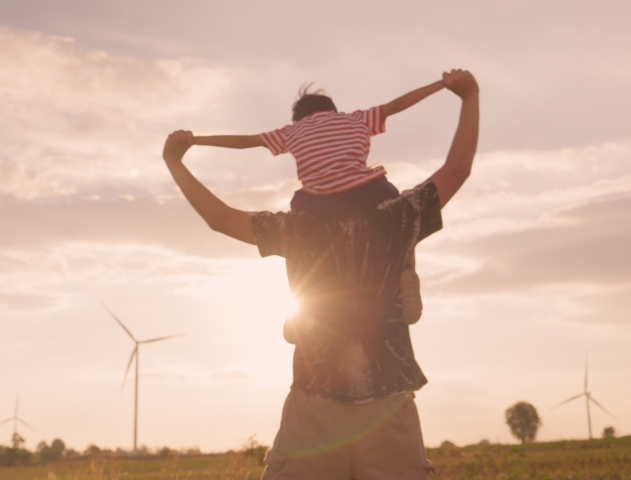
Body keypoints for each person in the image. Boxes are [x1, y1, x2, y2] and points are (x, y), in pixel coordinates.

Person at [162, 69, 479, 479]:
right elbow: (457, 169)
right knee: (400, 230)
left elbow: (220, 217)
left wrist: (178, 157)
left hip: (315, 401)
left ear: (298, 143)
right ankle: (404, 272)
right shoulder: (397, 210)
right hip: (388, 399)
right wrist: (466, 95)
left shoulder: (297, 226)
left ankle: (319, 308)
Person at [192, 79, 446, 325]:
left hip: (317, 202)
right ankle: (407, 271)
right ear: (332, 110)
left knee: (294, 239)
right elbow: (399, 104)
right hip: (370, 191)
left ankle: (300, 303)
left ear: (298, 118)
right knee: (402, 219)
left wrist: (194, 140)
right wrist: (441, 84)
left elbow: (242, 142)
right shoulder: (356, 118)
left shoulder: (292, 131)